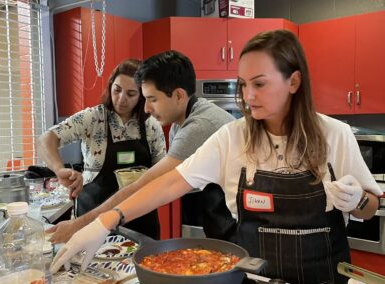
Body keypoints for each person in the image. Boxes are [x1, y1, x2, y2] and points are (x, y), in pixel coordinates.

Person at [50, 30, 382, 283]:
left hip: (324, 277)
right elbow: (169, 183)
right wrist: (107, 219)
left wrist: (356, 202)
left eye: (260, 84)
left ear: (294, 81)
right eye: (243, 85)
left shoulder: (334, 135)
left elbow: (371, 208)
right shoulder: (232, 137)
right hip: (252, 278)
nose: (248, 97)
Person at [45, 50, 235, 244]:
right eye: (117, 90)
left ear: (178, 95)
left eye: (151, 99)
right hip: (220, 216)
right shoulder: (180, 122)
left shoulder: (197, 125)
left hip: (237, 220)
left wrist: (80, 225)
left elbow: (151, 183)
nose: (146, 108)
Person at [37, 59, 166, 239]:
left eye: (131, 94)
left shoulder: (151, 125)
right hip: (93, 217)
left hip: (140, 218)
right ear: (110, 86)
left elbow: (162, 174)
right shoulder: (93, 118)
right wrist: (59, 169)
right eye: (117, 90)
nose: (121, 99)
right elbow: (46, 139)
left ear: (142, 96)